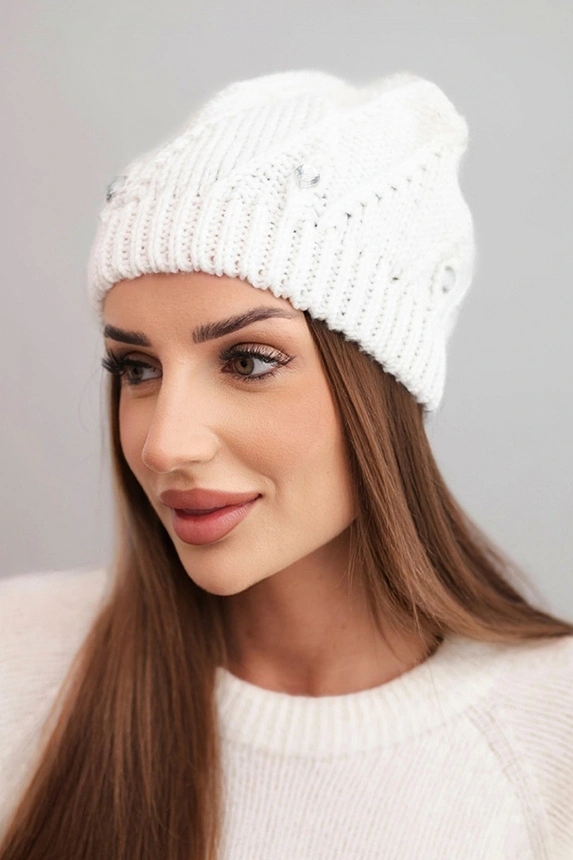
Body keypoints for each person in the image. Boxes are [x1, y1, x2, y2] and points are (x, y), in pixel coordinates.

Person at [0, 68, 572, 860]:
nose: (165, 444)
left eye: (248, 361)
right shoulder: (18, 654)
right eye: (136, 368)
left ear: (381, 387)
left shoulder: (550, 735)